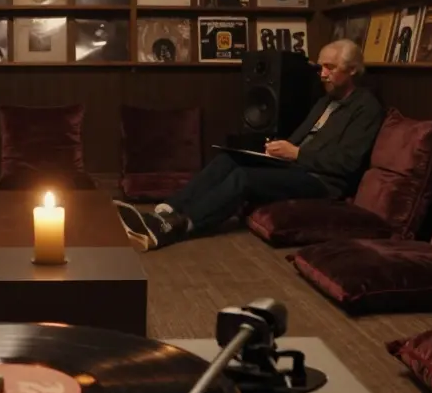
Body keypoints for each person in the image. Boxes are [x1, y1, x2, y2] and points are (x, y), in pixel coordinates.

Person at [116, 39, 384, 251]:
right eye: (321, 67)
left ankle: (183, 224)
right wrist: (280, 149)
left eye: (331, 68)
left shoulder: (366, 108)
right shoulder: (325, 101)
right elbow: (298, 140)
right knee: (228, 159)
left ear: (352, 70)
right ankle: (169, 209)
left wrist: (297, 153)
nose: (323, 74)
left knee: (244, 177)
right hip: (296, 165)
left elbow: (347, 163)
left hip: (322, 181)